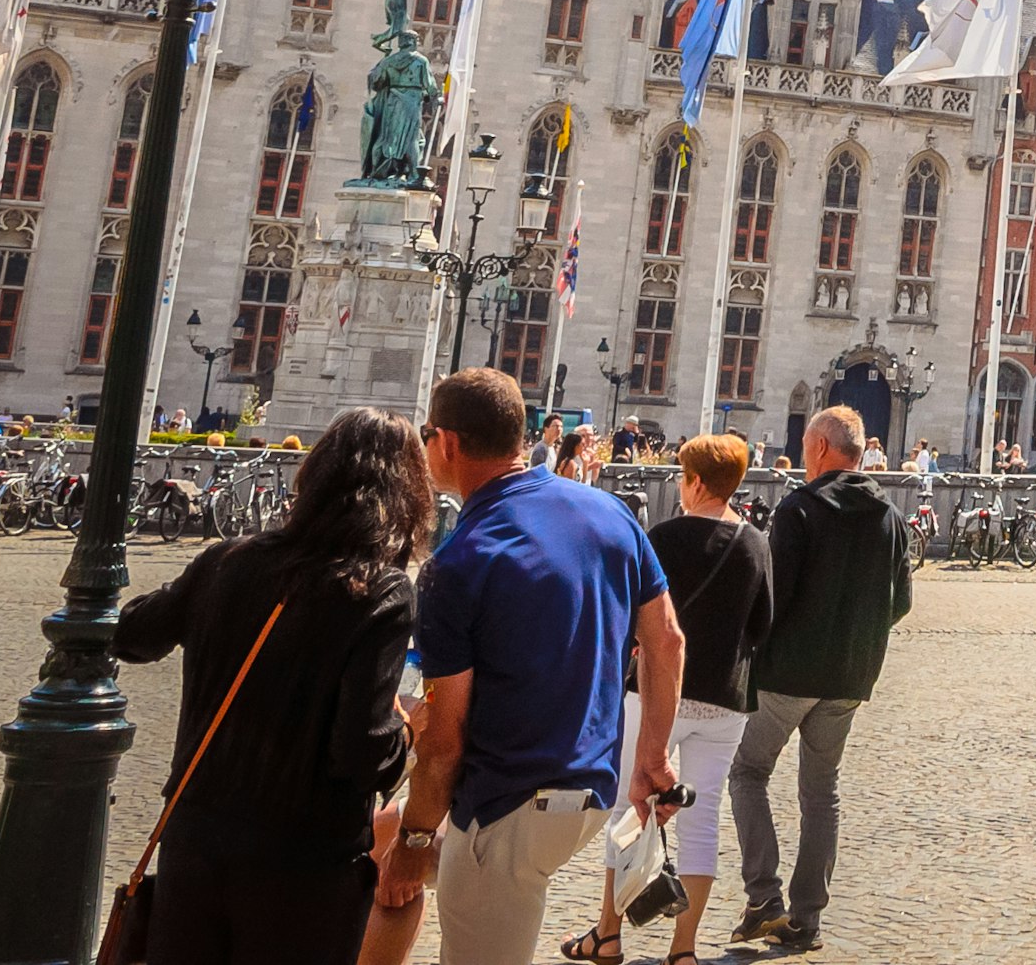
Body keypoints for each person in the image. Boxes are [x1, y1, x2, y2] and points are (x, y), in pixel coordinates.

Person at [380, 368, 683, 965]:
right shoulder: (610, 513)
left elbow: (444, 741)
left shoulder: (461, 561)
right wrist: (651, 756)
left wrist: (415, 840)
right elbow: (667, 639)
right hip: (590, 789)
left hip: (510, 797)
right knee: (389, 840)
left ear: (448, 442)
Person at [108, 407, 430, 965]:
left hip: (196, 837)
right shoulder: (380, 591)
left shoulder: (226, 561)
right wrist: (407, 730)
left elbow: (133, 634)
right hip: (303, 859)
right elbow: (361, 751)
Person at [564, 435, 773, 965]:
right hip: (725, 699)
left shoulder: (662, 537)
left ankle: (608, 934)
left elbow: (631, 613)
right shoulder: (755, 543)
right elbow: (763, 625)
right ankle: (684, 950)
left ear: (695, 481)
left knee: (630, 808)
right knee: (702, 822)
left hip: (658, 690)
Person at [727, 405, 914, 956]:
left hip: (789, 672)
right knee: (821, 794)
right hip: (849, 676)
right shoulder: (891, 516)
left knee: (748, 772)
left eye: (809, 444)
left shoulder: (800, 509)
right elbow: (900, 601)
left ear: (823, 449)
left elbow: (772, 595)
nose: (806, 453)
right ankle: (807, 917)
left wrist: (753, 646)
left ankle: (764, 896)